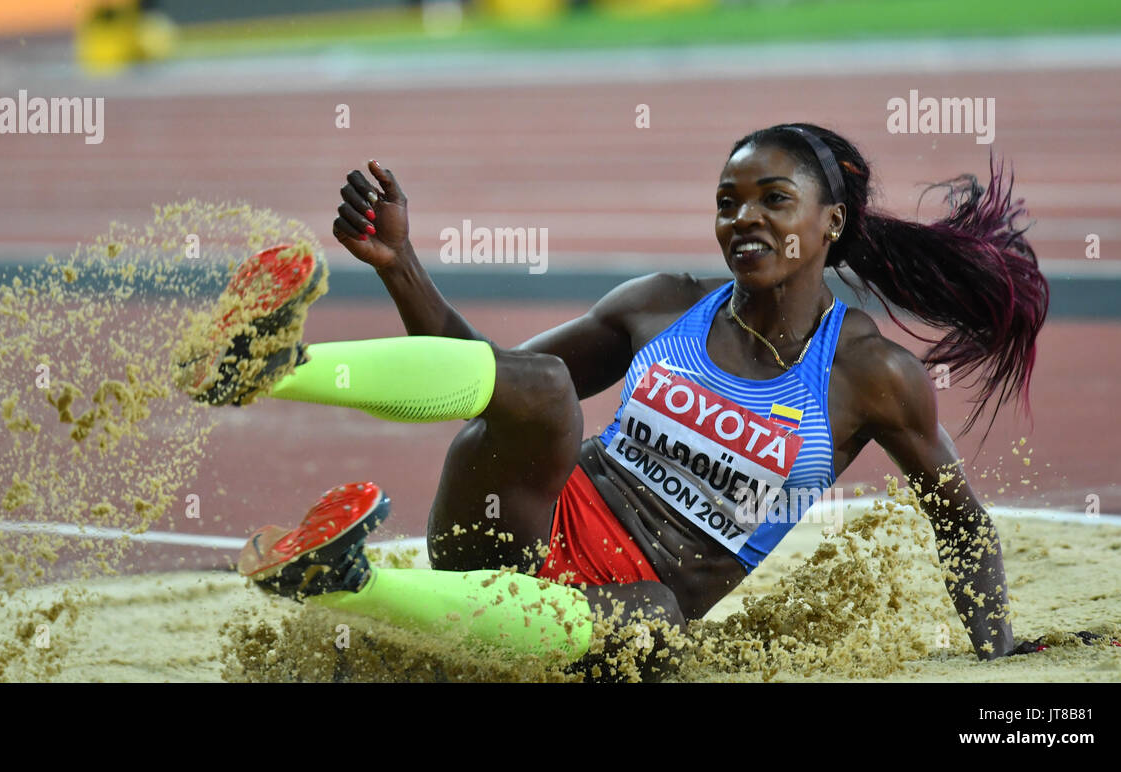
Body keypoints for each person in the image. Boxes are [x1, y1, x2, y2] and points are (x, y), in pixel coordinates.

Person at [207, 124, 1063, 679]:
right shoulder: (661, 303)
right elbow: (490, 377)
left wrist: (999, 657)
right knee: (542, 388)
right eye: (728, 204)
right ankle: (270, 365)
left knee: (658, 623)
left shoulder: (871, 376)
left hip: (614, 621)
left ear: (830, 223)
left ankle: (343, 582)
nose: (744, 221)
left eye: (775, 200)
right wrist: (401, 265)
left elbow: (960, 523)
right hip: (514, 530)